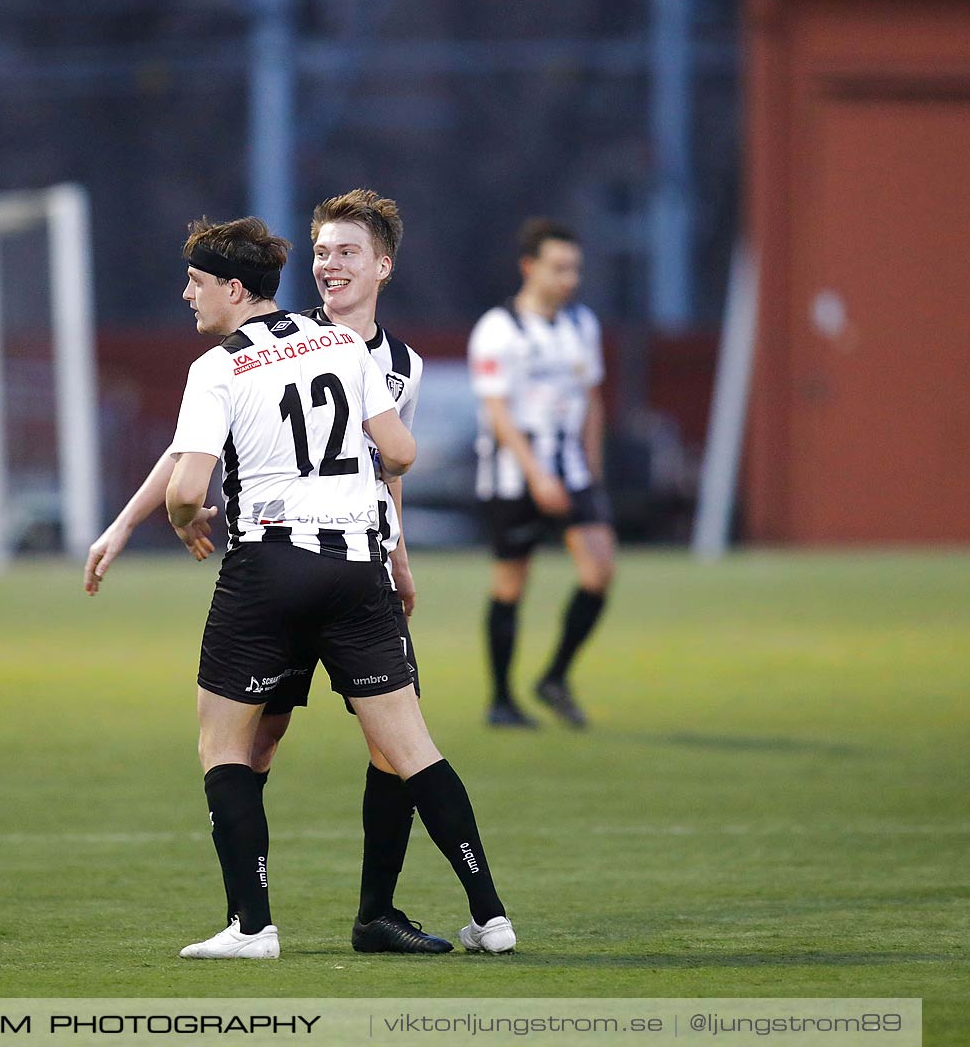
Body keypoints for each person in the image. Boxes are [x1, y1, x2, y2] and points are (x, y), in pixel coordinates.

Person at [85, 190, 448, 953]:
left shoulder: (400, 365)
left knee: (390, 747)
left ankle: (370, 913)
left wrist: (399, 555)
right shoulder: (296, 338)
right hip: (296, 565)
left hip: (344, 564)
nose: (329, 265)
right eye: (320, 252)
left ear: (383, 266)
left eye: (346, 252)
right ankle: (246, 914)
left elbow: (390, 471)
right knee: (259, 739)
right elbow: (193, 446)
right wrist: (125, 523)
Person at [161, 214, 513, 960]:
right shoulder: (345, 345)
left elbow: (188, 487)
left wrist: (183, 519)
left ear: (232, 288)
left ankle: (252, 929)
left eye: (194, 283)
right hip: (358, 567)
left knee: (227, 744)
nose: (186, 295)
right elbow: (401, 452)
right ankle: (491, 916)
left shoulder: (216, 367)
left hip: (269, 567)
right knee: (412, 748)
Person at [467, 218, 616, 729]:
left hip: (570, 470)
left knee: (599, 572)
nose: (569, 278)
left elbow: (591, 400)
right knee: (511, 583)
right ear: (530, 267)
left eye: (574, 268)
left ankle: (554, 676)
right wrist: (536, 475)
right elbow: (497, 412)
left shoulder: (582, 325)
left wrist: (590, 469)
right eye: (559, 267)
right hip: (513, 474)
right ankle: (501, 700)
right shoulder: (497, 329)